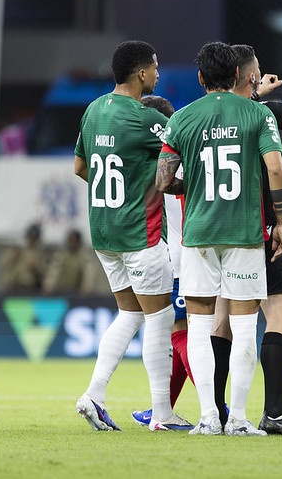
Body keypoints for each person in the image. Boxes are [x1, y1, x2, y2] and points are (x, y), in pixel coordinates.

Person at [155, 41, 282, 437]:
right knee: (244, 326)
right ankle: (240, 419)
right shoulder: (257, 113)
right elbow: (276, 170)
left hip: (198, 234)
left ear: (200, 78)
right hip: (244, 233)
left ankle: (208, 418)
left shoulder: (181, 118)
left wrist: (194, 186)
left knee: (199, 327)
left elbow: (163, 180)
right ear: (237, 75)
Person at [206, 29, 282, 436]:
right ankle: (274, 411)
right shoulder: (262, 114)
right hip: (260, 229)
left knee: (220, 320)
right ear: (250, 76)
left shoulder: (199, 116)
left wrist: (255, 91)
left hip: (213, 231)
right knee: (281, 313)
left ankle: (214, 411)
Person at [74, 40, 190, 432]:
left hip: (103, 232)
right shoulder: (144, 118)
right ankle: (162, 413)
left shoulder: (93, 110)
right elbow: (183, 151)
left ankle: (94, 394)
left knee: (130, 314)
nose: (157, 73)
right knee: (160, 318)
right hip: (139, 233)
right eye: (154, 67)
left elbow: (80, 167)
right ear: (141, 73)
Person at [130, 95, 195, 428]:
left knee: (180, 333)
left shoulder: (163, 163)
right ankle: (162, 409)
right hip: (193, 255)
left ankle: (216, 408)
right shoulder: (184, 154)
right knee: (180, 333)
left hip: (178, 260)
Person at [0, 223, 47, 295]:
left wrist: (36, 267)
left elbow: (44, 272)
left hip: (29, 287)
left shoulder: (38, 254)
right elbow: (2, 264)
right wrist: (13, 257)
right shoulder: (16, 249)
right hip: (12, 286)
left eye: (34, 238)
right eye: (30, 237)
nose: (32, 240)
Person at [42, 228, 87, 295]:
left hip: (75, 291)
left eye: (75, 241)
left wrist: (84, 289)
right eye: (70, 240)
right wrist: (48, 286)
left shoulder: (83, 256)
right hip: (60, 290)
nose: (72, 243)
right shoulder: (62, 255)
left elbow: (87, 275)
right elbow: (54, 271)